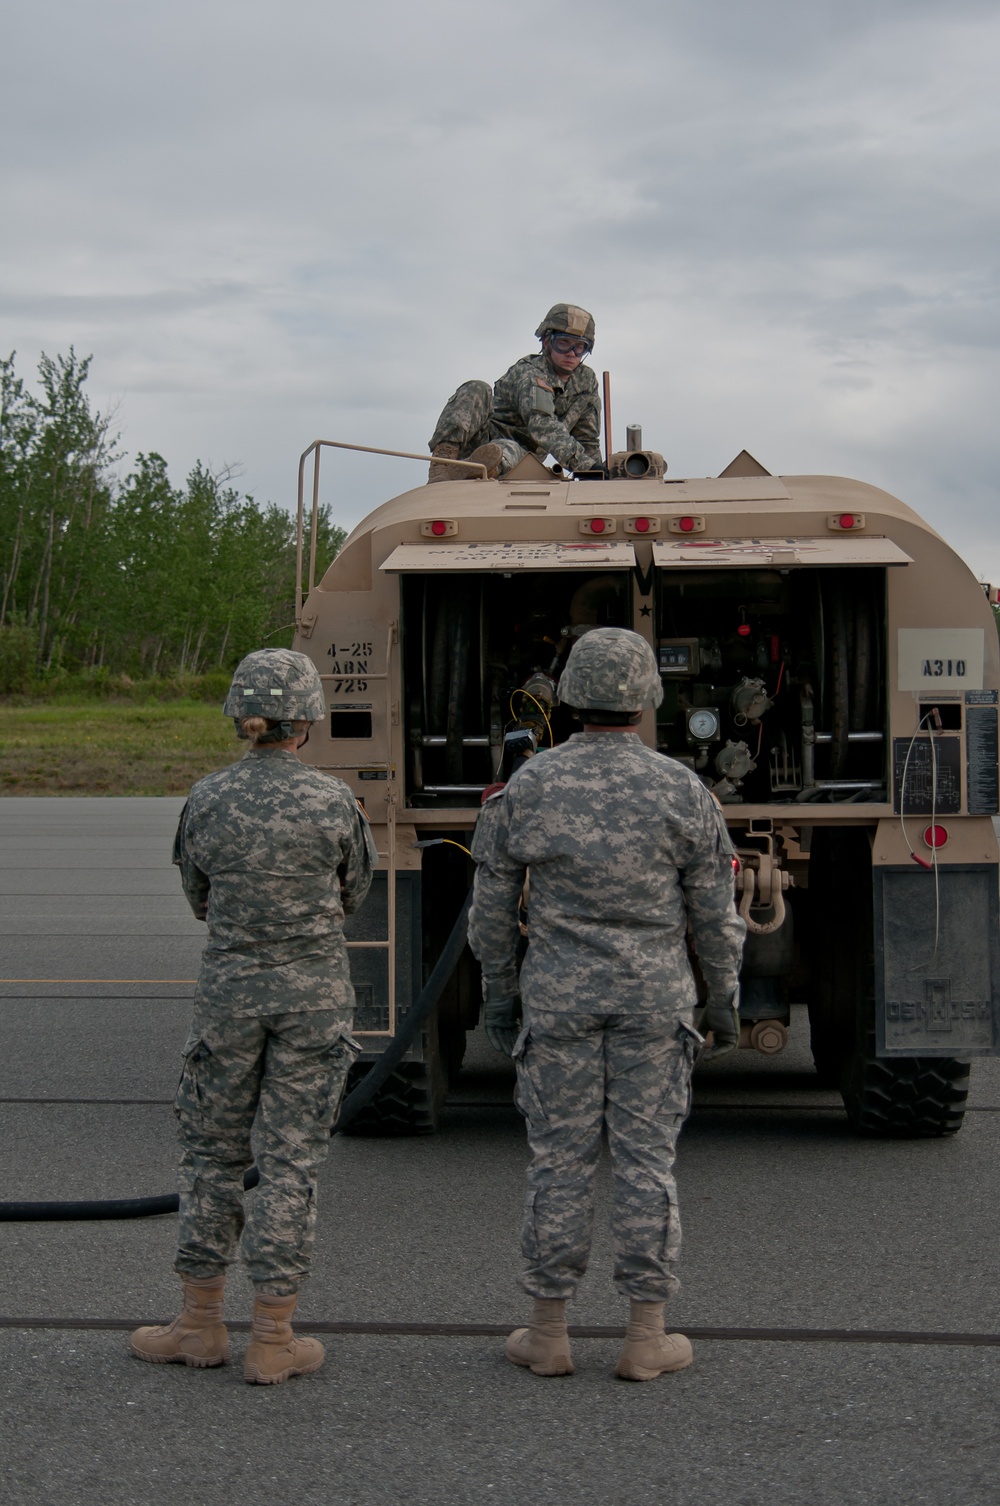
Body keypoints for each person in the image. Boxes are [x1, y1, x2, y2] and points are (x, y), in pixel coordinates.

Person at [467, 627, 745, 1381]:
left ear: (570, 693)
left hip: (558, 998)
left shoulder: (527, 786)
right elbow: (718, 917)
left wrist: (500, 1000)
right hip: (656, 1001)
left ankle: (549, 1332)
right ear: (648, 696)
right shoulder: (683, 790)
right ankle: (645, 1336)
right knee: (647, 1160)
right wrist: (723, 1003)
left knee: (559, 1159)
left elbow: (491, 915)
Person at [130, 649, 375, 1385]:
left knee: (212, 1158)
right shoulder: (334, 802)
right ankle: (273, 1337)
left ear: (242, 716)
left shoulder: (206, 798)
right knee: (292, 1161)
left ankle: (200, 1324)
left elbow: (198, 896)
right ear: (308, 720)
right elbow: (353, 892)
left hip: (230, 996)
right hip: (314, 996)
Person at [427, 303, 604, 482]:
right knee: (477, 388)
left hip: (517, 457)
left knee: (506, 450)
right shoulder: (531, 372)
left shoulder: (585, 382)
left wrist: (598, 474)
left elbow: (587, 439)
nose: (571, 353)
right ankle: (442, 464)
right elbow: (541, 424)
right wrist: (585, 466)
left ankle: (479, 469)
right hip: (481, 439)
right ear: (546, 342)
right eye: (563, 343)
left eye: (579, 346)